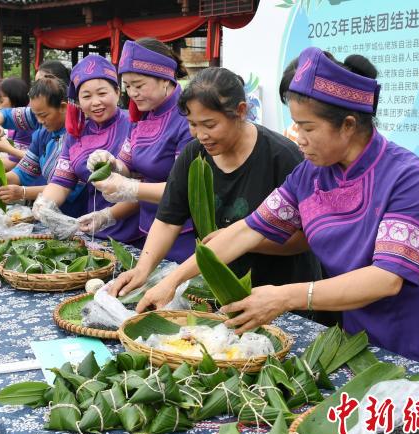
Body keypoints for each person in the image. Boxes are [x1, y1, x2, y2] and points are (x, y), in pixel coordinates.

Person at [137, 47, 419, 374]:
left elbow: (386, 279)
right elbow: (246, 231)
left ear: (348, 125)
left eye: (308, 128)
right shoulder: (310, 174)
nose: (298, 138)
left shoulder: (405, 175)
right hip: (355, 331)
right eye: (295, 126)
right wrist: (171, 281)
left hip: (416, 336)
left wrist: (285, 297)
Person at [111, 66, 323, 308]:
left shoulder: (282, 156)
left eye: (210, 125)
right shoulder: (194, 155)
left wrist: (239, 238)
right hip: (221, 291)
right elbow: (169, 219)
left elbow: (305, 238)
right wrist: (143, 270)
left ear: (241, 111)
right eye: (192, 124)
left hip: (280, 293)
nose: (201, 135)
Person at [88, 39, 194, 262]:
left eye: (138, 85)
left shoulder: (188, 117)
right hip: (148, 228)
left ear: (165, 78)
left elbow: (184, 189)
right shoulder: (143, 114)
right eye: (127, 86)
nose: (132, 93)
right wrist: (111, 164)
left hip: (183, 232)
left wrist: (131, 188)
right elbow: (126, 163)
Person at [33, 55, 141, 243]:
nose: (95, 102)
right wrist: (45, 203)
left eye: (102, 93)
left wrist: (107, 216)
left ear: (117, 91)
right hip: (94, 232)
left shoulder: (135, 125)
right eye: (86, 96)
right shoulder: (75, 133)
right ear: (77, 101)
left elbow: (143, 185)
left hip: (136, 232)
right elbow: (62, 180)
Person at [0, 76, 87, 217]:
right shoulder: (42, 133)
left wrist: (23, 192)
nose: (39, 121)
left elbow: (69, 188)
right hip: (49, 214)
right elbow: (25, 170)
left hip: (78, 215)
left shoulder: (79, 136)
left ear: (63, 107)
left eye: (43, 115)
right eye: (35, 115)